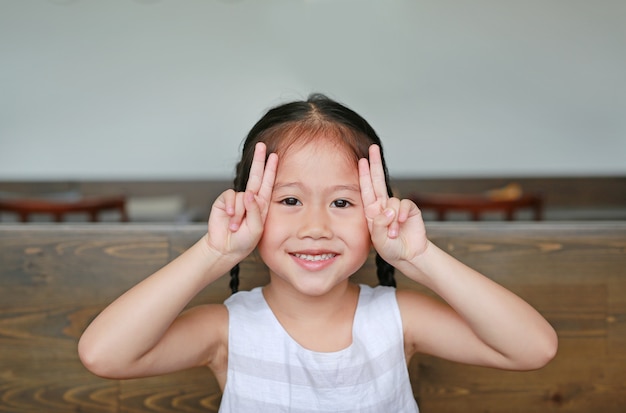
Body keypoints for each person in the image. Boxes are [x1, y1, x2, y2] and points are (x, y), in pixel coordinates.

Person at [78, 93, 558, 412]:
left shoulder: (397, 318)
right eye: (290, 200)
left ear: (378, 210)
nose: (315, 227)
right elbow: (103, 355)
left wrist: (418, 258)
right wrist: (213, 253)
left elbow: (533, 348)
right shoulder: (227, 329)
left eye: (343, 202)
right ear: (251, 208)